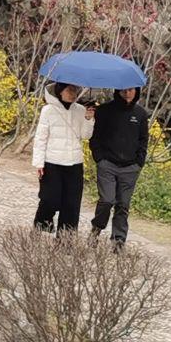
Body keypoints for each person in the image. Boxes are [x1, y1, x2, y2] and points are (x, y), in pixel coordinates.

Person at [90, 86, 150, 246]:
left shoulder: (140, 114)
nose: (128, 93)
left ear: (136, 91)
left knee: (123, 204)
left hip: (130, 167)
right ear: (118, 91)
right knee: (107, 200)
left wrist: (139, 162)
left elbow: (143, 140)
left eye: (131, 90)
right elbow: (95, 137)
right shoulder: (105, 110)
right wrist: (99, 158)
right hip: (107, 164)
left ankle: (118, 240)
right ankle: (96, 230)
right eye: (124, 90)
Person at [32, 82, 95, 233]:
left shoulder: (80, 110)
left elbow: (86, 135)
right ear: (60, 91)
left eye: (75, 89)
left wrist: (88, 119)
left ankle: (66, 241)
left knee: (71, 205)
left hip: (74, 163)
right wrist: (39, 163)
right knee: (49, 199)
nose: (73, 92)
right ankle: (42, 228)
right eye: (69, 89)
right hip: (52, 162)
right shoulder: (48, 110)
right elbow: (41, 138)